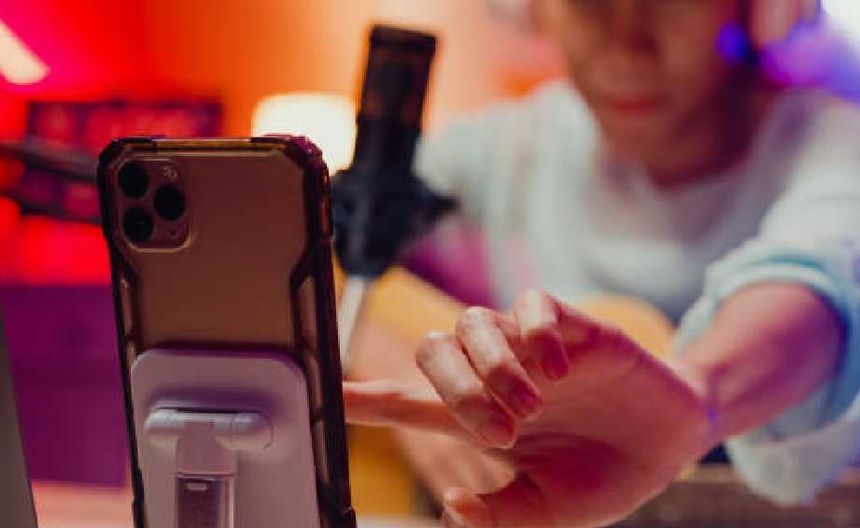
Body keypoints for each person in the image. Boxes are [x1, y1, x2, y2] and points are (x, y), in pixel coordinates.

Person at [344, 0, 860, 526]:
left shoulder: (834, 145)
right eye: (589, 3)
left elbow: (815, 277)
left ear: (755, 11)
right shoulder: (508, 147)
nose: (627, 47)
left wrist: (696, 397)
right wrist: (403, 368)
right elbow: (311, 250)